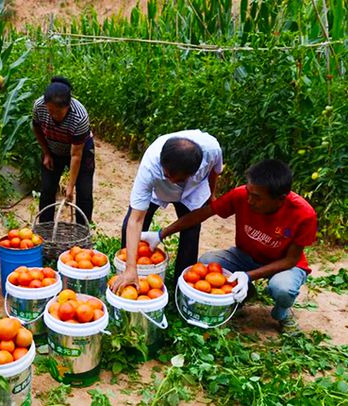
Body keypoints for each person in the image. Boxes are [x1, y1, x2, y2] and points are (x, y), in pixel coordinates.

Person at [148, 159, 317, 333]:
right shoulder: (241, 195)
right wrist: (162, 233)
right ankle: (245, 293)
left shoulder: (304, 215)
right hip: (245, 256)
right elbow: (202, 214)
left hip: (283, 265)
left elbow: (290, 260)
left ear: (280, 199)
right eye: (249, 192)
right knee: (207, 262)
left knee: (283, 289)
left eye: (257, 197)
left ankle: (282, 312)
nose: (250, 200)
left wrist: (247, 275)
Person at [113, 130, 223, 291]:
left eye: (179, 178)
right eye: (169, 175)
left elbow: (215, 171)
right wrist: (130, 267)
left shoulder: (212, 149)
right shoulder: (150, 166)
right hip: (158, 189)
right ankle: (127, 269)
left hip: (192, 191)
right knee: (130, 226)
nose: (173, 181)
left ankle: (183, 285)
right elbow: (136, 220)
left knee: (191, 230)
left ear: (193, 171)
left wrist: (211, 194)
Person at [32, 76, 95, 224]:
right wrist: (46, 153)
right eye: (50, 110)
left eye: (57, 112)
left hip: (80, 151)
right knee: (47, 189)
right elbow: (36, 128)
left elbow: (76, 155)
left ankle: (82, 231)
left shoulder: (79, 116)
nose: (52, 115)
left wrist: (70, 186)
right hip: (53, 149)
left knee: (84, 193)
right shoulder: (39, 106)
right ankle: (46, 229)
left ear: (68, 106)